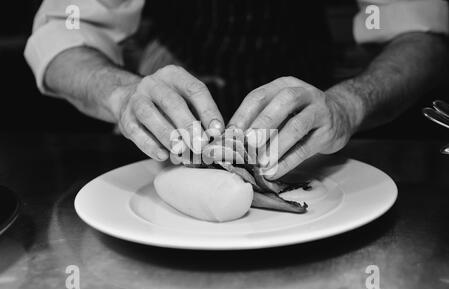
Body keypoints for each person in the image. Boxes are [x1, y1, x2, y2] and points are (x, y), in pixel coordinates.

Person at [25, 0, 449, 179]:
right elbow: (65, 27)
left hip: (309, 128)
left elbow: (421, 30)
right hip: (165, 129)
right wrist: (123, 96)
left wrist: (348, 105)